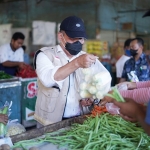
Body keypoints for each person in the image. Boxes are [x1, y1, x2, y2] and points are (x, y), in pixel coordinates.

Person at [33, 16, 111, 127]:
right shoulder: (44, 55)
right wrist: (77, 63)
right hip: (49, 122)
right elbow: (48, 79)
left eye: (81, 39)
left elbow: (103, 81)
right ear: (61, 36)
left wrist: (91, 97)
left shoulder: (86, 58)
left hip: (79, 119)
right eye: (73, 38)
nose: (78, 42)